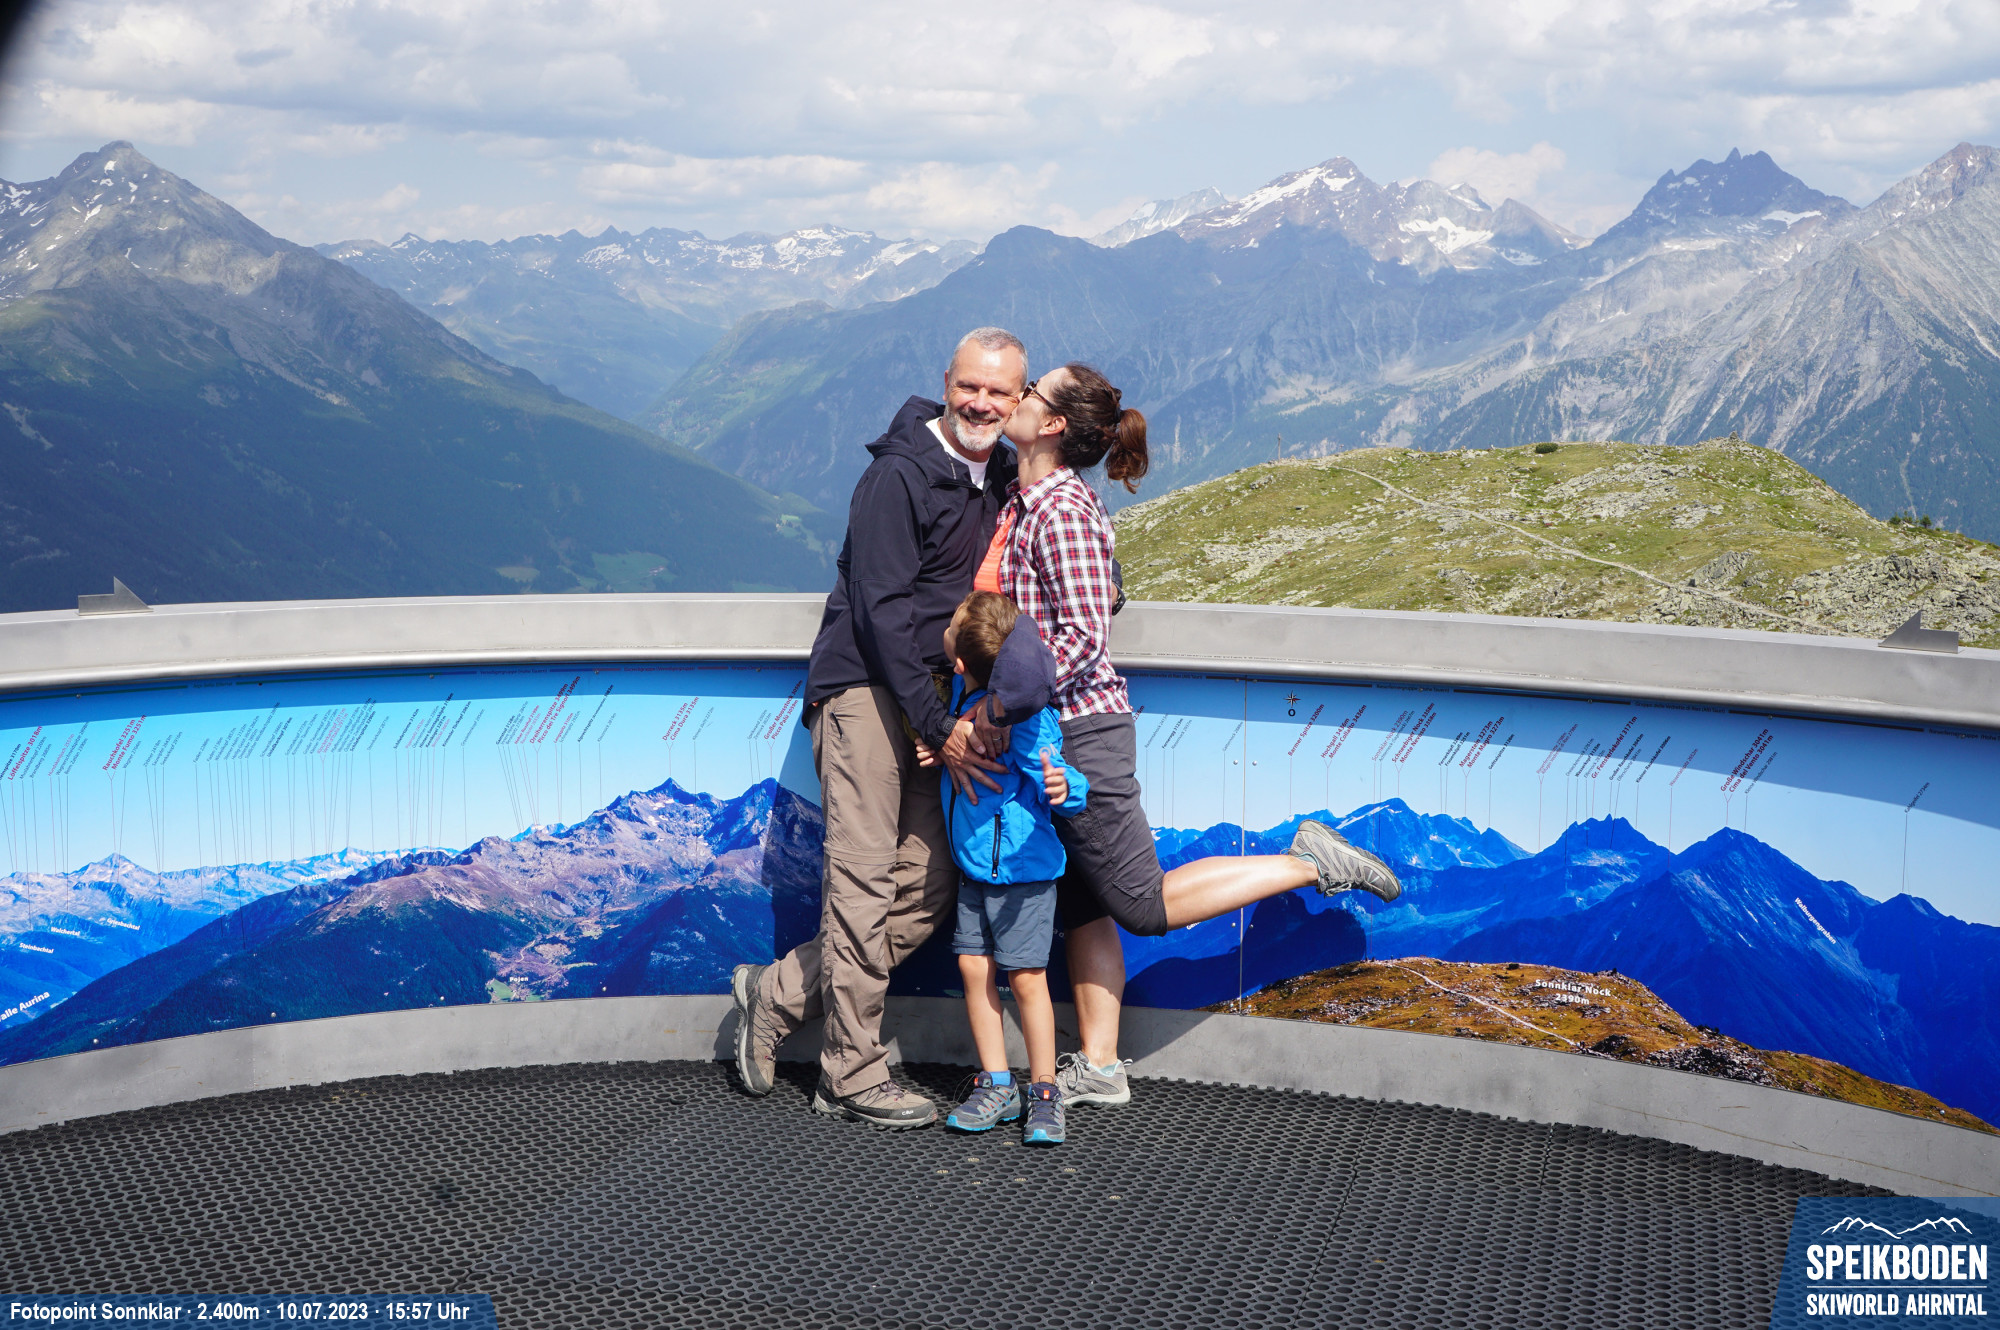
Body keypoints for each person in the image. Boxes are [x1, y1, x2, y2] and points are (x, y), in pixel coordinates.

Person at [981, 362, 1403, 1109]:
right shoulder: (1034, 500)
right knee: (1084, 901)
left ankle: (1307, 861)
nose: (1012, 399)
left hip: (1078, 733)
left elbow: (1083, 635)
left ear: (1050, 425)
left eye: (1029, 392)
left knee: (1141, 904)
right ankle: (1102, 1065)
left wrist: (1006, 705)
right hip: (1054, 732)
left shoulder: (1061, 512)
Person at [729, 328, 1055, 1130]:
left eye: (998, 393)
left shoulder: (1002, 475)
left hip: (925, 704)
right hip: (865, 692)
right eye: (969, 386)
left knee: (931, 887)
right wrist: (937, 720)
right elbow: (879, 612)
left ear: (1019, 401)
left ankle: (773, 996)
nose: (981, 403)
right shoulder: (897, 477)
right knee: (865, 880)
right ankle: (851, 1072)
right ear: (946, 382)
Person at [934, 590, 1088, 1146]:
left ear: (962, 662)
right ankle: (998, 1083)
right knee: (974, 972)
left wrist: (1064, 788)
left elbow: (1070, 783)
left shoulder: (1024, 723)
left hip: (1024, 876)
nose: (946, 634)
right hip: (975, 869)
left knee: (1026, 980)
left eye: (952, 631)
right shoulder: (961, 693)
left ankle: (1044, 1091)